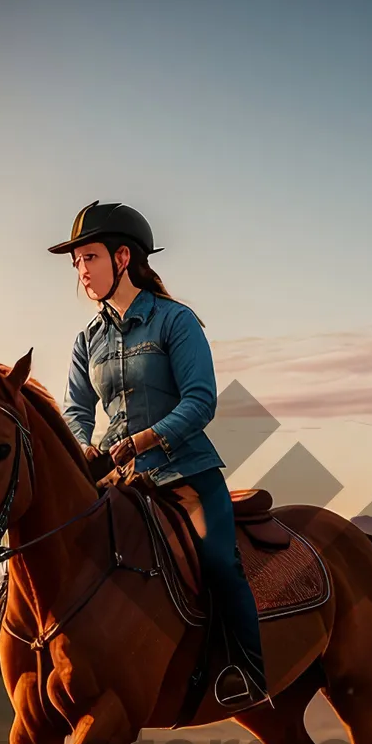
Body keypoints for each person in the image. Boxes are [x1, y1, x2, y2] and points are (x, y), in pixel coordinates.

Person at [50, 200, 270, 709]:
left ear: (122, 257)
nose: (81, 271)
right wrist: (83, 444)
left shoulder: (176, 321)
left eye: (89, 258)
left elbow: (201, 401)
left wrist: (144, 441)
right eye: (76, 262)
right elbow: (75, 409)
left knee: (218, 561)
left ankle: (248, 673)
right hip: (119, 480)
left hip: (185, 474)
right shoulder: (87, 340)